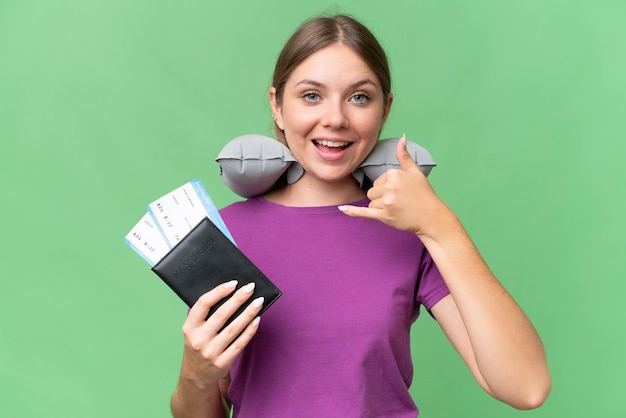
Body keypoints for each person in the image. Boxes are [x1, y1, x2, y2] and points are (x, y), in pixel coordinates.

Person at [170, 14, 551, 417]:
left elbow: (525, 387)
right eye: (311, 95)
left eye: (359, 97)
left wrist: (441, 225)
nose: (335, 118)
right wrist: (196, 374)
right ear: (277, 106)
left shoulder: (411, 231)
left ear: (384, 110)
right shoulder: (226, 233)